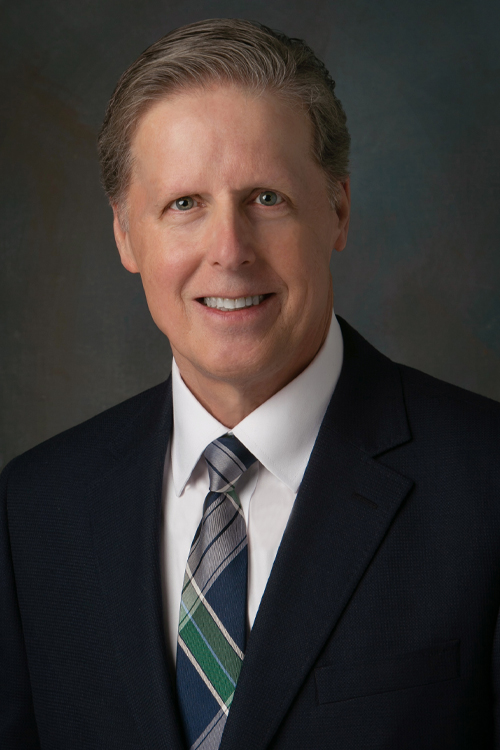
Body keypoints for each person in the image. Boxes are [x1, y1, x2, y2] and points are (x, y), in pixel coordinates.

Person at [1, 17, 499, 750]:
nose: (228, 251)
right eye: (184, 204)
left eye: (266, 198)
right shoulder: (34, 513)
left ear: (338, 210)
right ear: (124, 235)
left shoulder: (486, 483)